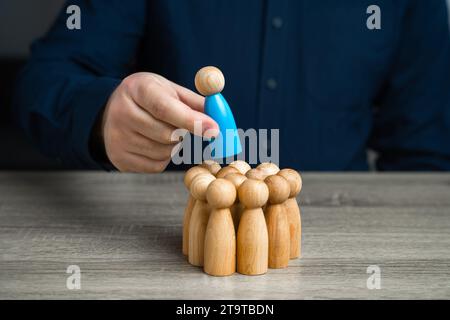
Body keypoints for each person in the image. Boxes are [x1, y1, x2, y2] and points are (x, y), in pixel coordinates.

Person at [13, 0, 450, 172]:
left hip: (342, 249)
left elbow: (425, 150)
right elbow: (45, 77)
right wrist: (102, 115)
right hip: (172, 236)